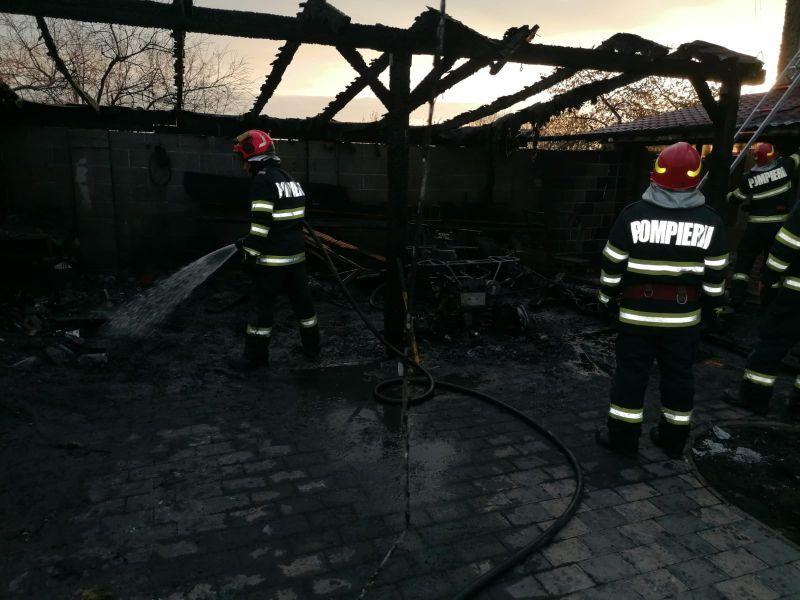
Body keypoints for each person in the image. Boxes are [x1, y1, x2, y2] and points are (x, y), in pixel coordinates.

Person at [595, 142, 728, 459]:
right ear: (696, 178)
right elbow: (716, 275)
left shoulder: (632, 215)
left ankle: (623, 440)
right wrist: (714, 309)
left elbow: (612, 264)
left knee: (630, 376)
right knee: (678, 378)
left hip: (636, 315)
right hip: (683, 319)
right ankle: (673, 440)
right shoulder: (711, 221)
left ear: (655, 174)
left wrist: (605, 299)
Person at [230, 129, 320, 371]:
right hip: (297, 259)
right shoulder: (290, 180)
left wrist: (249, 251)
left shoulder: (263, 181)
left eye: (243, 160)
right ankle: (313, 349)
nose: (244, 166)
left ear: (253, 156)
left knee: (262, 311)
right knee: (304, 308)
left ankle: (255, 359)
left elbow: (261, 226)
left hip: (272, 263)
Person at [723, 183, 800, 422]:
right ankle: (797, 407)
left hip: (796, 293)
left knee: (772, 342)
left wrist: (770, 279)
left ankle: (754, 397)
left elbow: (787, 243)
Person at [727, 142, 800, 308]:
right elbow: (797, 157)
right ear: (773, 155)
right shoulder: (786, 165)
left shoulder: (749, 178)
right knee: (770, 267)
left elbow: (736, 198)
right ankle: (768, 303)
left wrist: (728, 195)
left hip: (755, 228)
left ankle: (736, 300)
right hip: (778, 228)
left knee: (743, 263)